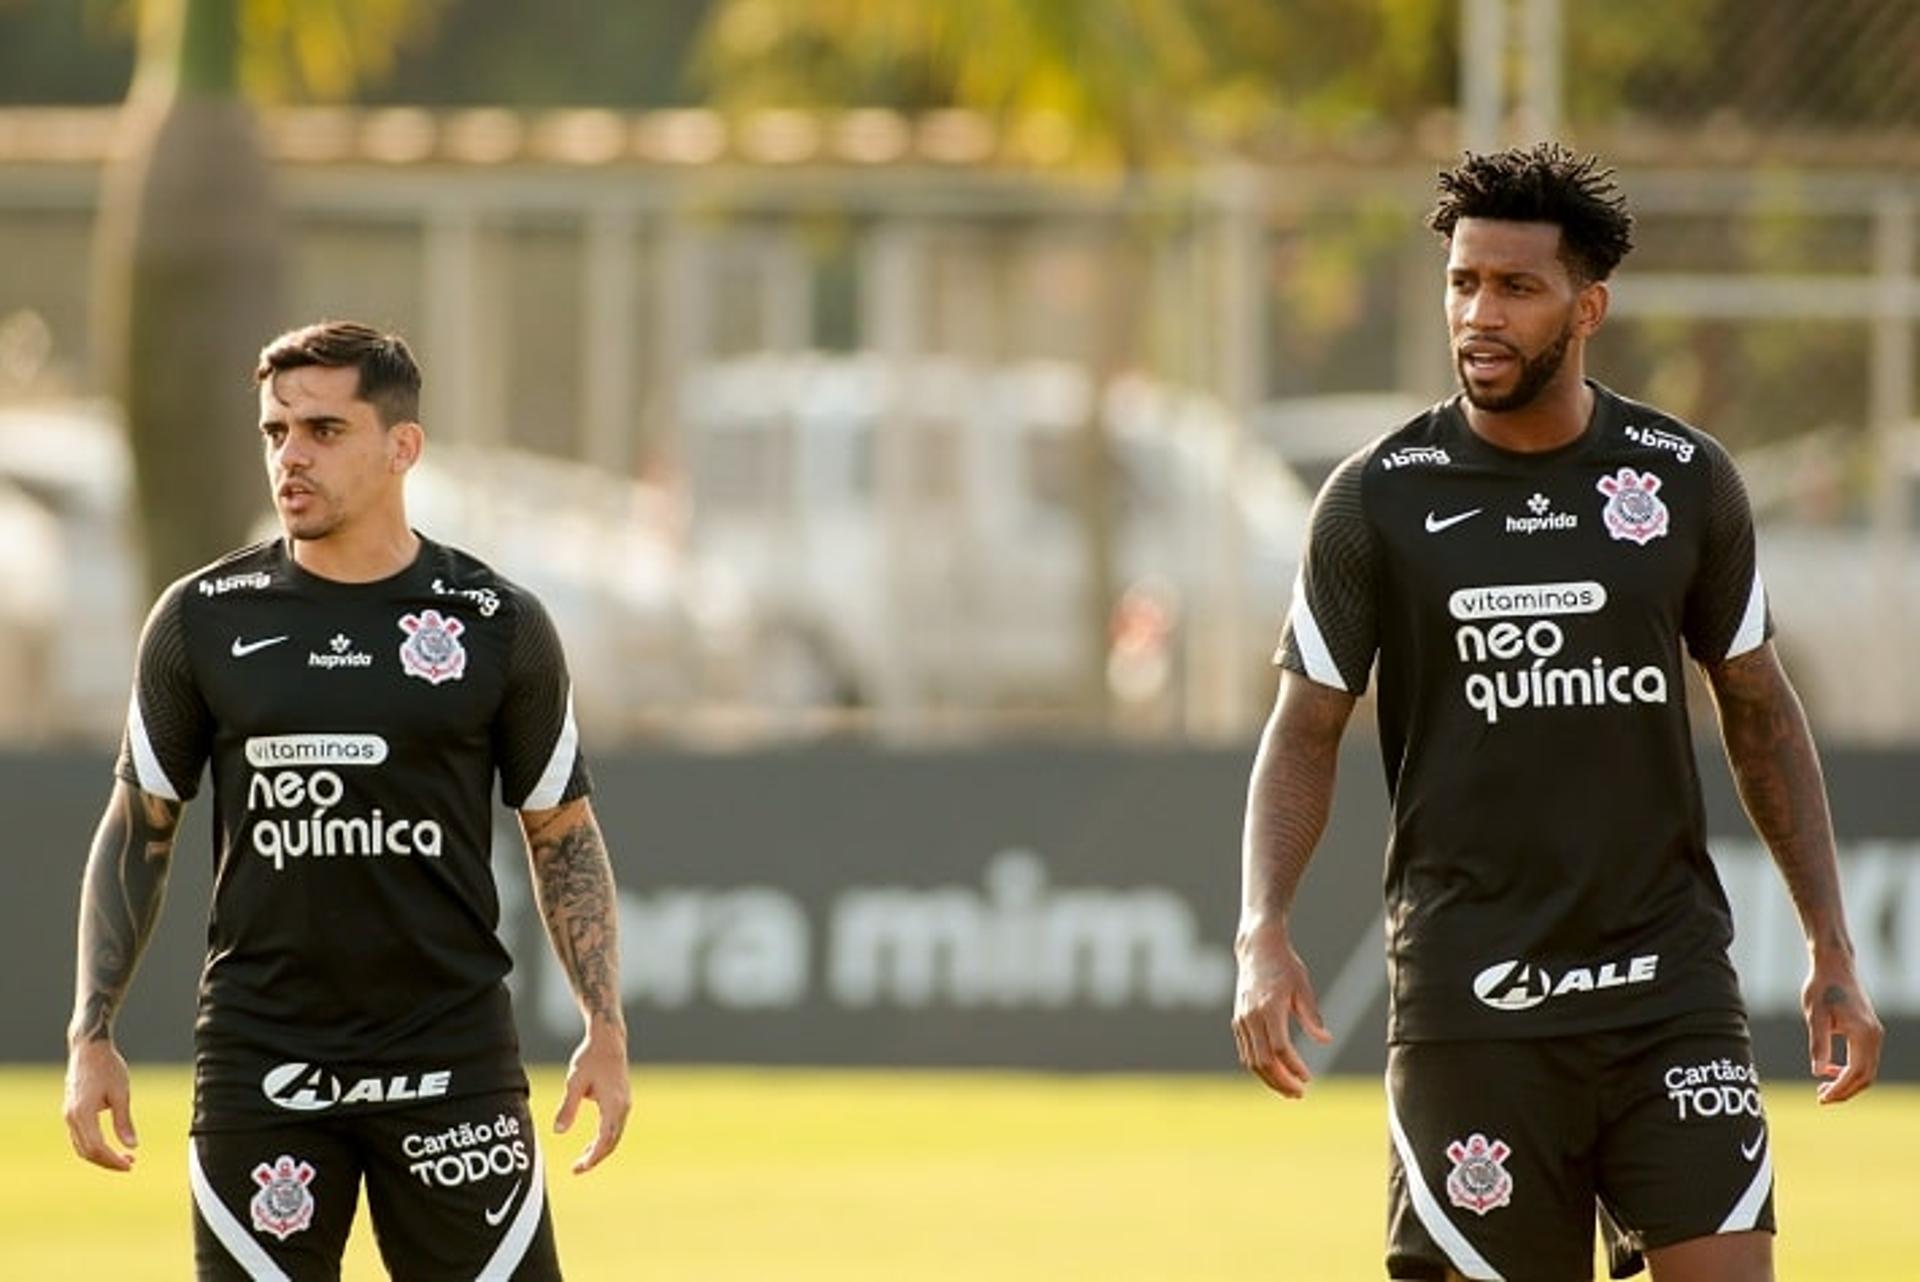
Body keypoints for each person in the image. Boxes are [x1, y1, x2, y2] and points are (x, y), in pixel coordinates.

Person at [1231, 144, 1882, 1282]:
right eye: (1463, 282)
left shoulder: (1684, 479)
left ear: (1589, 307)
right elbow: (1305, 727)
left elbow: (1761, 711)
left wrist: (1830, 940)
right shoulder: (1375, 497)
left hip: (1667, 991)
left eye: (1515, 288)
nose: (1479, 313)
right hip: (1473, 1003)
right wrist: (1261, 926)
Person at [62, 320, 631, 1280]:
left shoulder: (498, 624)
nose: (291, 456)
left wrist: (604, 1026)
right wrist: (92, 1032)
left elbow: (561, 831)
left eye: (323, 430)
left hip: (451, 1062)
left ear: (401, 446)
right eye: (275, 431)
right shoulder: (200, 620)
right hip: (264, 1061)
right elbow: (139, 831)